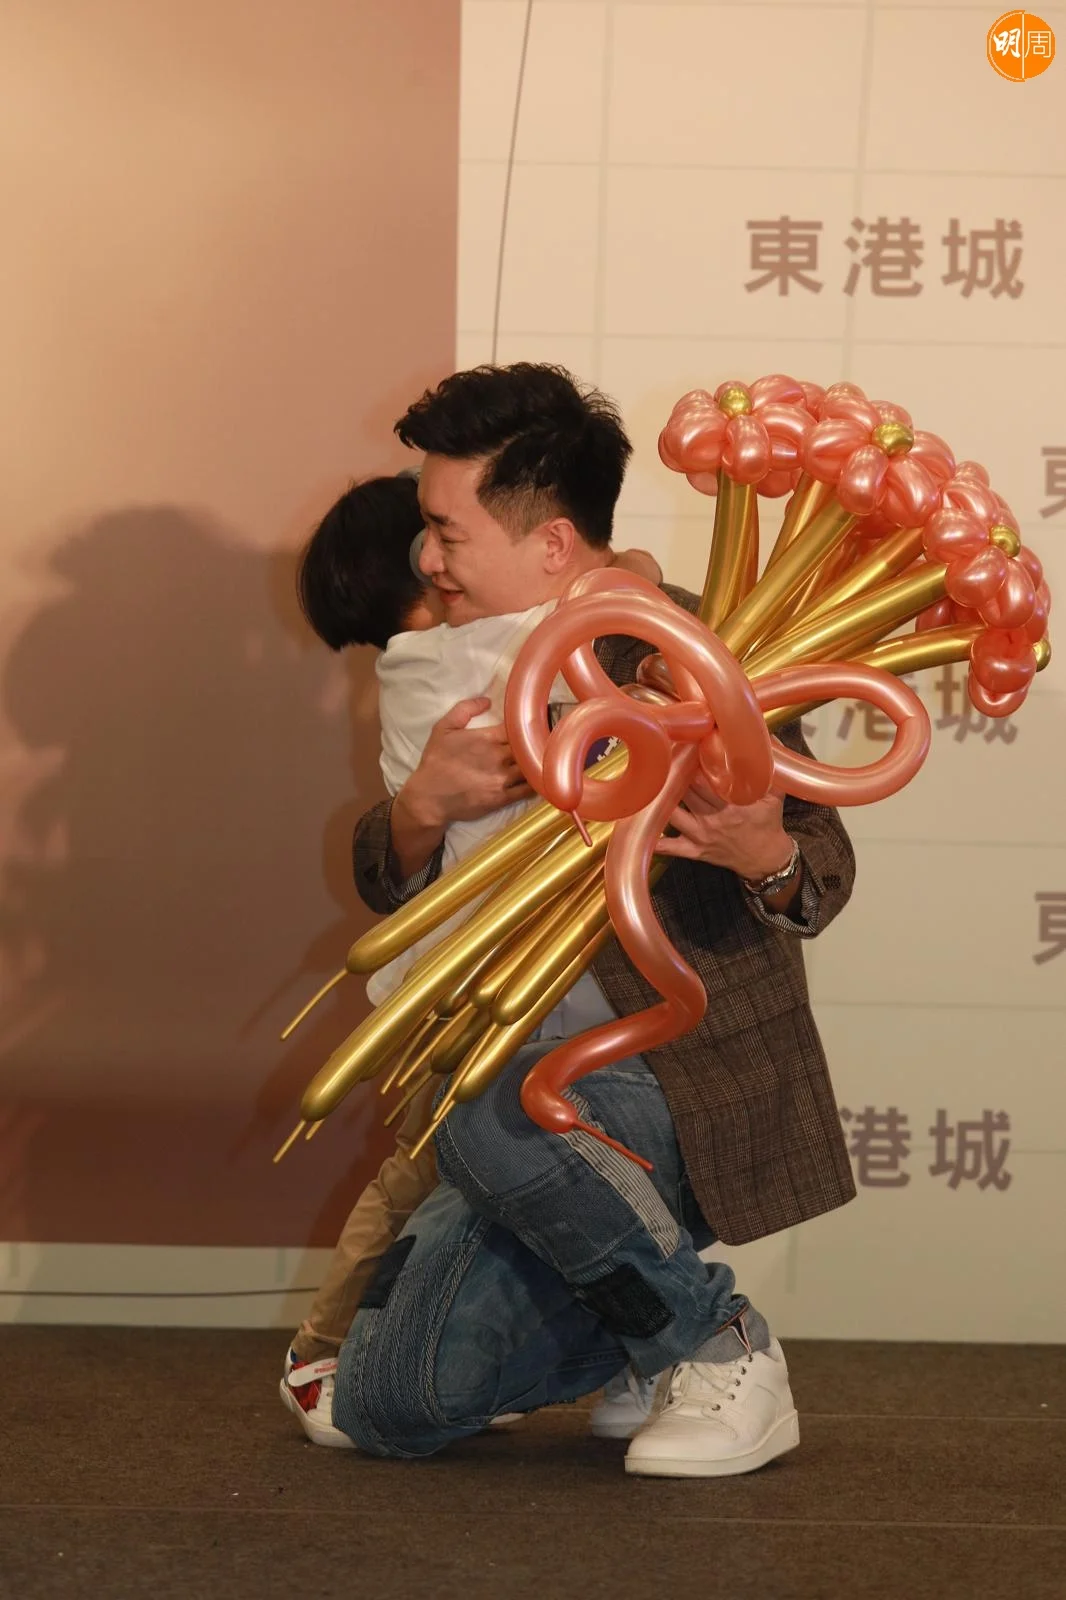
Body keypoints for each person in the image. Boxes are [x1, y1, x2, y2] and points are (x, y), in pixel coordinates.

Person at [334, 363, 857, 1478]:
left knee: (493, 1106)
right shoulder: (441, 664)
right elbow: (390, 881)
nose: (425, 560)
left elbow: (820, 867)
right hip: (510, 1102)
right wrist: (421, 808)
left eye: (447, 533)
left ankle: (716, 1346)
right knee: (387, 1403)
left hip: (671, 1085)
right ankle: (637, 1337)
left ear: (554, 544)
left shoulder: (694, 646)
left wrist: (759, 850)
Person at [281, 468, 662, 1447]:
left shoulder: (418, 661)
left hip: (497, 989)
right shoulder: (453, 657)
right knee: (420, 1178)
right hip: (470, 1001)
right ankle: (323, 1350)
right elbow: (588, 614)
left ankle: (623, 1354)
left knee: (543, 1185)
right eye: (438, 544)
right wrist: (639, 570)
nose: (451, 561)